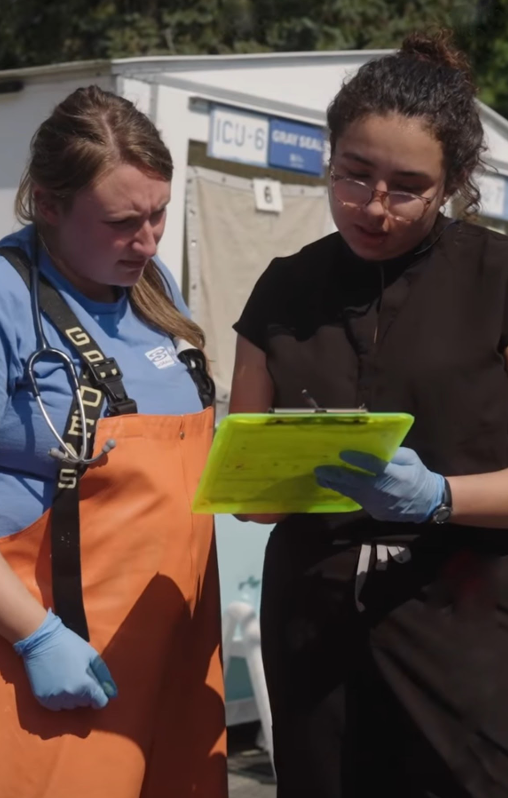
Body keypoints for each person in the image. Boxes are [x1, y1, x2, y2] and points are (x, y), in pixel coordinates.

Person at [230, 29, 508, 798]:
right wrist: (269, 475)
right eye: (354, 175)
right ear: (328, 156)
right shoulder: (283, 289)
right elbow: (249, 495)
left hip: (468, 620)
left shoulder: (497, 278)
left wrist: (443, 497)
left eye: (407, 186)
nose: (373, 207)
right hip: (313, 628)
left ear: (453, 182)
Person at [0, 85, 227, 798]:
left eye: (159, 214)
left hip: (181, 658)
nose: (150, 240)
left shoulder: (153, 283)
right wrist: (36, 636)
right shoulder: (7, 301)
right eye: (124, 222)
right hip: (59, 667)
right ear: (49, 204)